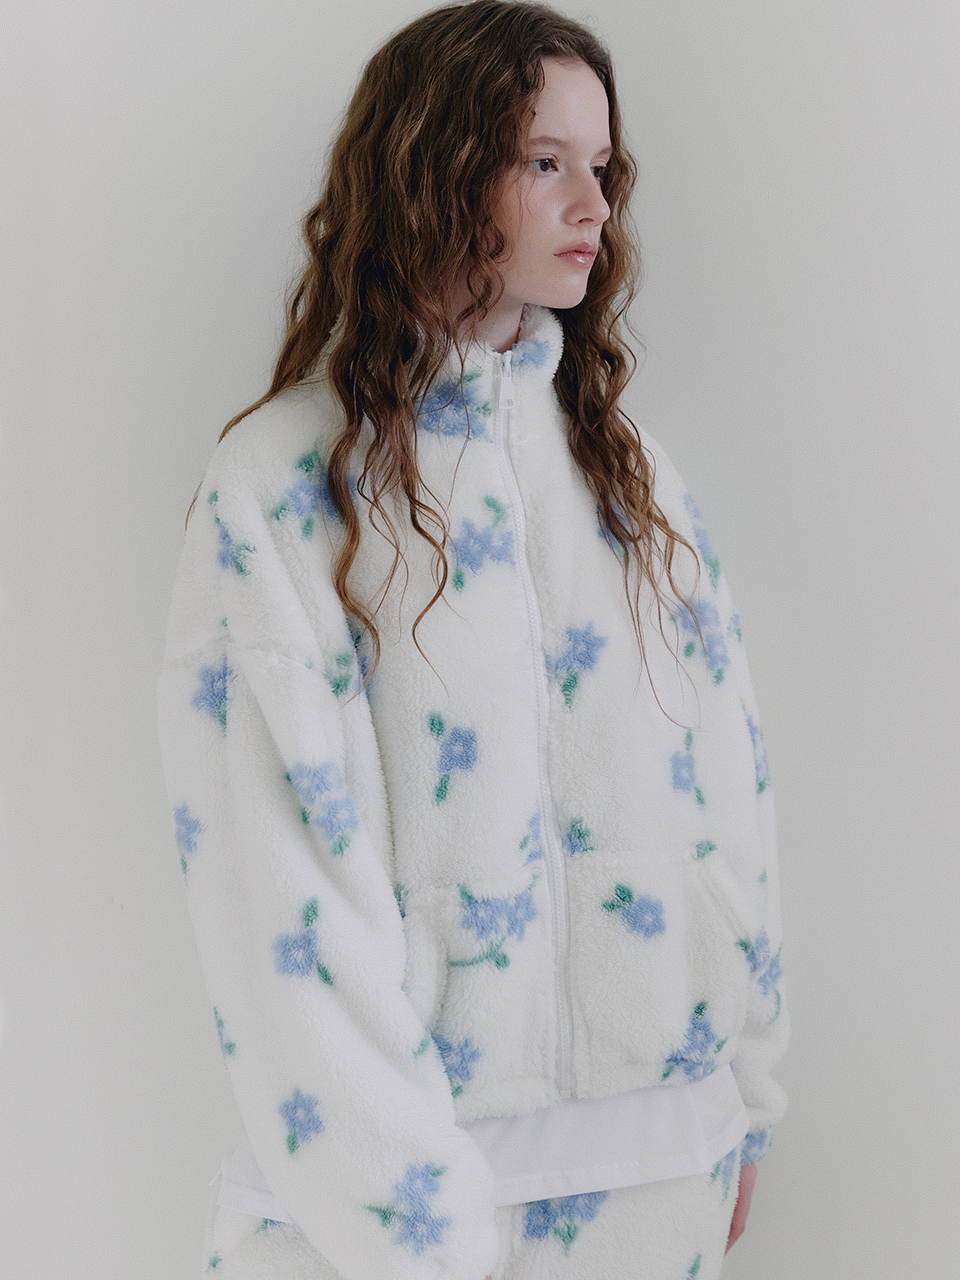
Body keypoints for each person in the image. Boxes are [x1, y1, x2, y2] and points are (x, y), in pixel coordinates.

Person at [156, 3, 788, 1277]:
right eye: (544, 161)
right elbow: (274, 881)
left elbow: (733, 791)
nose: (593, 204)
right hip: (392, 1215)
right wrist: (412, 1227)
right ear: (433, 169)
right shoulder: (284, 487)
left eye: (600, 166)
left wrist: (746, 1096)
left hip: (657, 1183)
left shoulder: (632, 478)